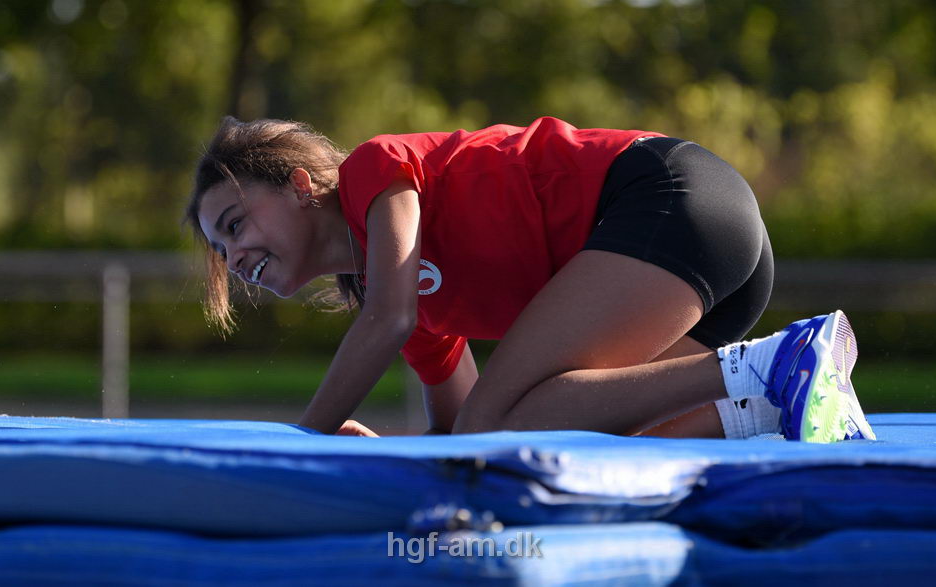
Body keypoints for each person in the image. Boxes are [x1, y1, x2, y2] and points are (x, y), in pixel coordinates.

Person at [186, 115, 874, 442]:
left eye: (236, 223)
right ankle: (769, 405)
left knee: (507, 417)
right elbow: (469, 435)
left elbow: (388, 317)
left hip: (677, 200)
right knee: (574, 427)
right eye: (222, 247)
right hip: (696, 269)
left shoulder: (373, 172)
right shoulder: (409, 301)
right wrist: (372, 453)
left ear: (300, 186)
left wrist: (305, 437)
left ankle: (773, 362)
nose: (235, 255)